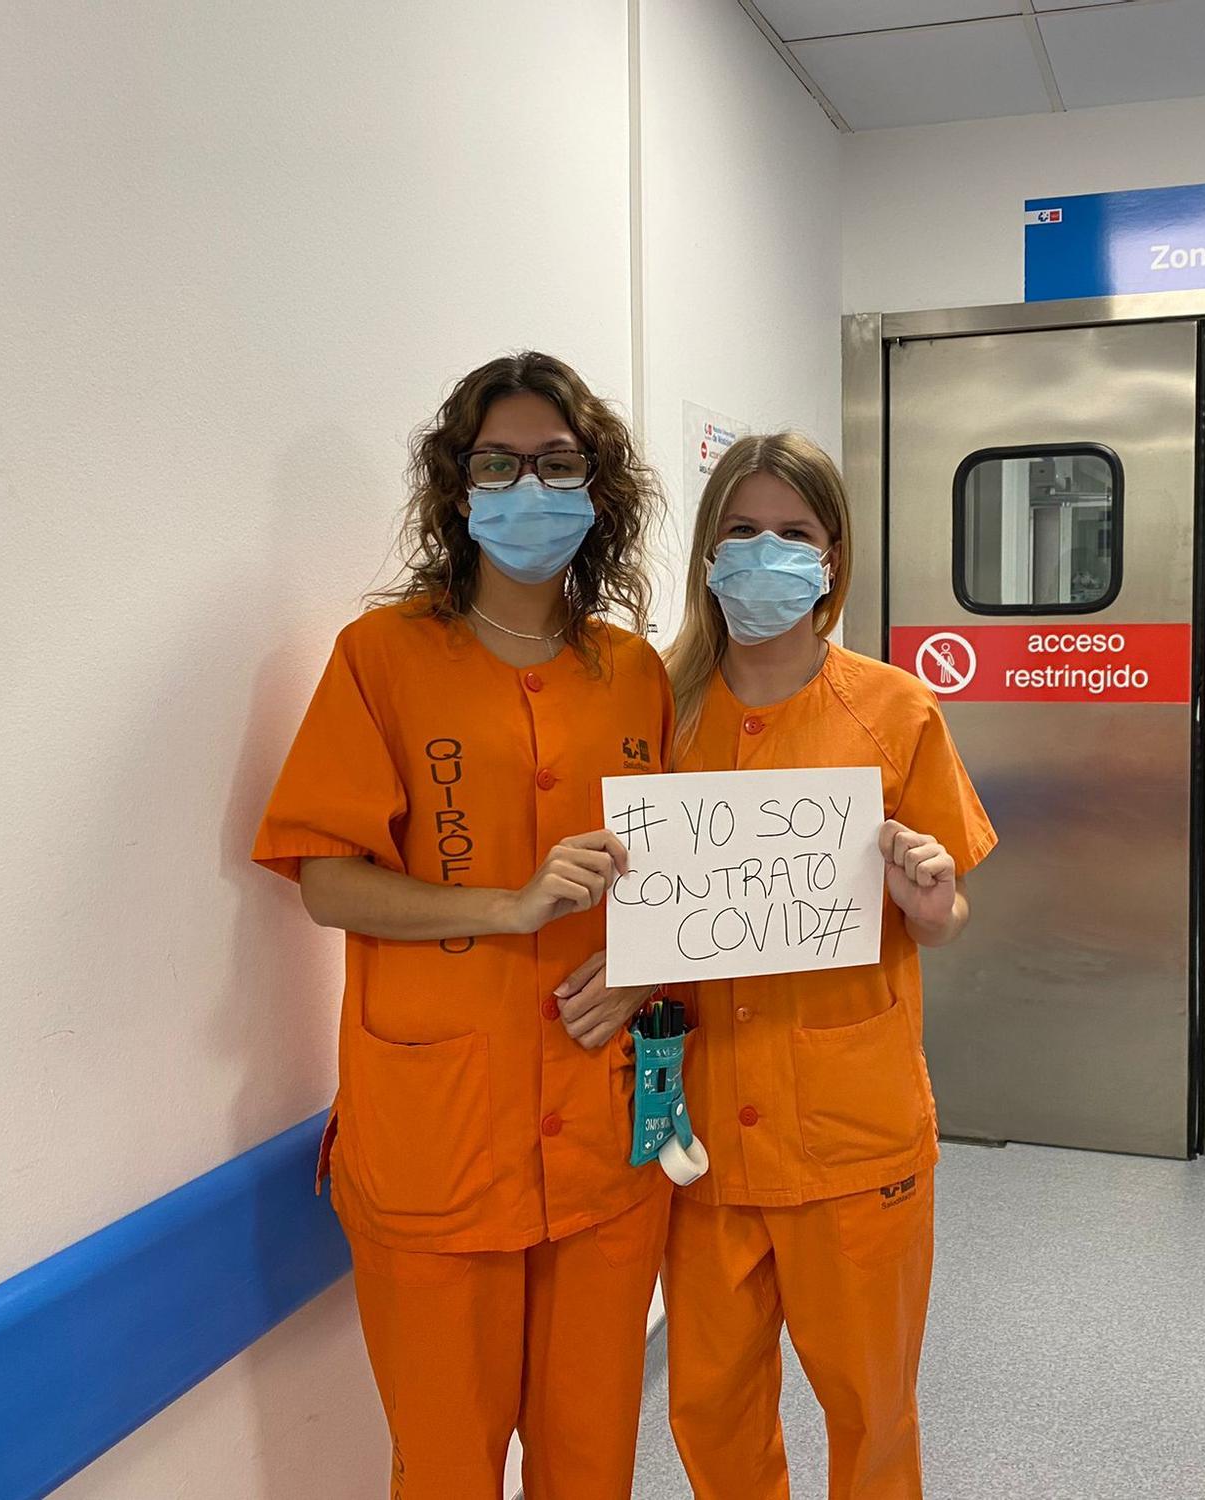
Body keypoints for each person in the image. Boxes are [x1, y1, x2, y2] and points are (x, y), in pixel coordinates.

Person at [251, 352, 672, 1500]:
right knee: (444, 1466)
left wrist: (639, 978)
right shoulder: (382, 659)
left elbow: (675, 888)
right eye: (499, 461)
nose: (528, 486)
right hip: (436, 1137)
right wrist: (506, 902)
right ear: (457, 487)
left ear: (597, 492)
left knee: (590, 1461)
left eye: (557, 462)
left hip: (600, 1123)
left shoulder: (633, 673)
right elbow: (325, 879)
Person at [660, 432, 996, 1499]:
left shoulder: (894, 711)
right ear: (706, 556)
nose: (766, 555)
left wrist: (927, 893)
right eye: (739, 532)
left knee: (869, 1409)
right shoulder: (653, 712)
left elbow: (942, 920)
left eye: (792, 534)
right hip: (695, 1136)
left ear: (833, 556)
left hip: (853, 1142)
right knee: (708, 1408)